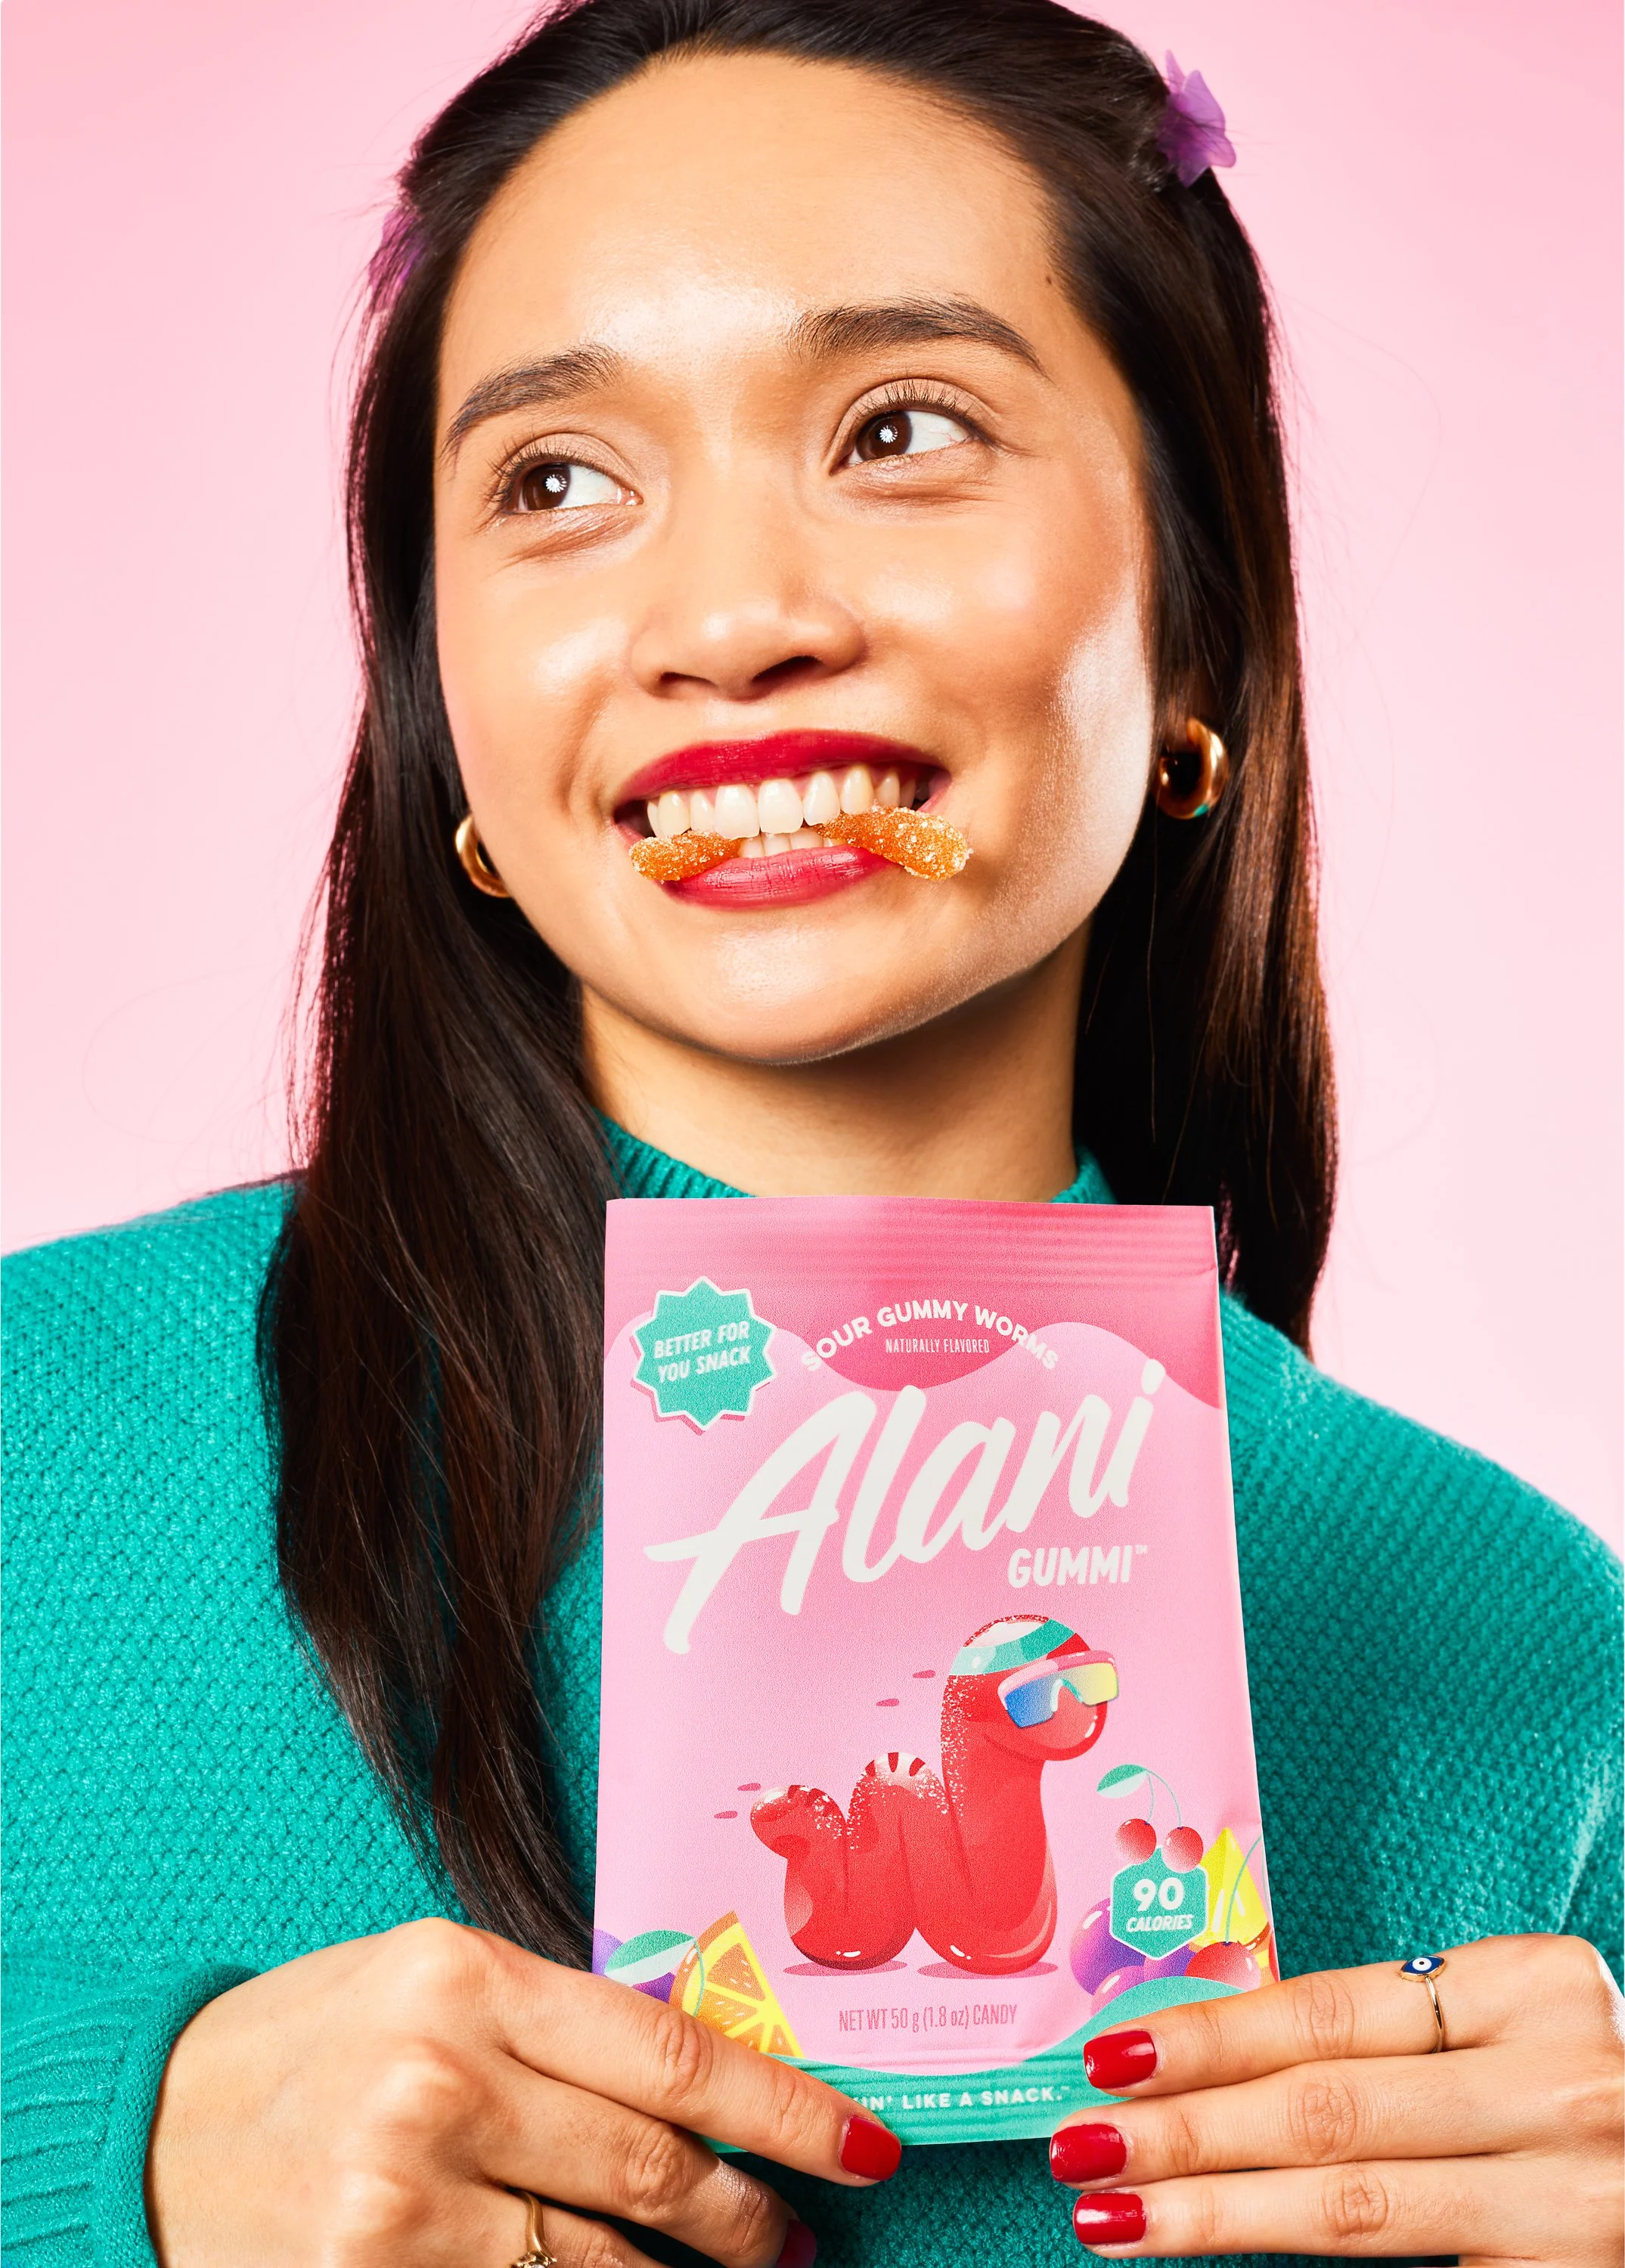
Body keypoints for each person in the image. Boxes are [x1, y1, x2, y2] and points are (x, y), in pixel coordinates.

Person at [3, 3, 1620, 2264]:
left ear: (1194, 628)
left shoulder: (1524, 1655)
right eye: (554, 479)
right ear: (441, 707)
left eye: (901, 428)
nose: (734, 621)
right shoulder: (32, 1438)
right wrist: (100, 2161)